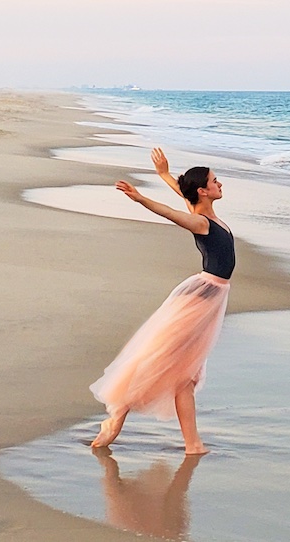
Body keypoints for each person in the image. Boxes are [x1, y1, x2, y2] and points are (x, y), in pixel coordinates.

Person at [90, 148, 235, 455]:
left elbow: (182, 197)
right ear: (203, 191)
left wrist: (164, 174)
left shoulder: (205, 214)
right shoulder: (200, 222)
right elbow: (170, 213)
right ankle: (118, 415)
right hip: (201, 297)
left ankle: (193, 444)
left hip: (210, 296)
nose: (219, 184)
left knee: (185, 373)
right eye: (214, 180)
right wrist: (141, 199)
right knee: (168, 362)